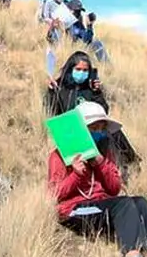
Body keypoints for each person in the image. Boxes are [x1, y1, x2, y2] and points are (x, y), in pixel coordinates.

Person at [48, 102, 147, 257]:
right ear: (81, 130)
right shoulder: (59, 155)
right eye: (93, 128)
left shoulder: (103, 153)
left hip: (102, 207)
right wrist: (75, 174)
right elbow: (55, 193)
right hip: (75, 210)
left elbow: (114, 189)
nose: (99, 133)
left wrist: (100, 163)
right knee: (123, 203)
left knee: (139, 202)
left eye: (101, 128)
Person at [45, 51, 141, 181]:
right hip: (73, 132)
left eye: (85, 70)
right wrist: (51, 92)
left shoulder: (90, 89)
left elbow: (103, 112)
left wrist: (97, 93)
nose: (82, 73)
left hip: (93, 130)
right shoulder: (60, 88)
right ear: (70, 69)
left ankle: (128, 164)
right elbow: (51, 111)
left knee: (114, 132)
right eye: (78, 69)